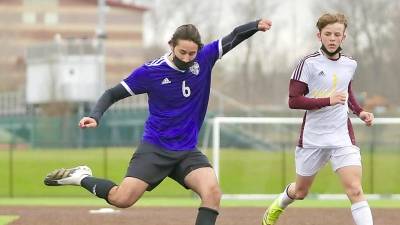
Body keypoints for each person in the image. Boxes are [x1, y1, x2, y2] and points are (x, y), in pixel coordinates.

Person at [44, 19, 272, 225]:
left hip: (186, 151)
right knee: (122, 199)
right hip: (155, 148)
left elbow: (233, 36)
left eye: (192, 53)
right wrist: (94, 116)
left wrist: (255, 25)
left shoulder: (205, 57)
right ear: (171, 45)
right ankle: (82, 176)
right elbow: (112, 94)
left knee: (212, 193)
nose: (186, 58)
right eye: (182, 52)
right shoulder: (150, 72)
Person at [261, 13, 374, 225]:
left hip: (342, 136)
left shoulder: (350, 64)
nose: (332, 38)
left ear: (344, 37)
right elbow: (294, 101)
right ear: (319, 35)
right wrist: (327, 100)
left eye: (337, 34)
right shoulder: (308, 64)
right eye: (328, 34)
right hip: (313, 138)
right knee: (301, 191)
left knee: (355, 190)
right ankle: (278, 205)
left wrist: (360, 112)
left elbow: (346, 92)